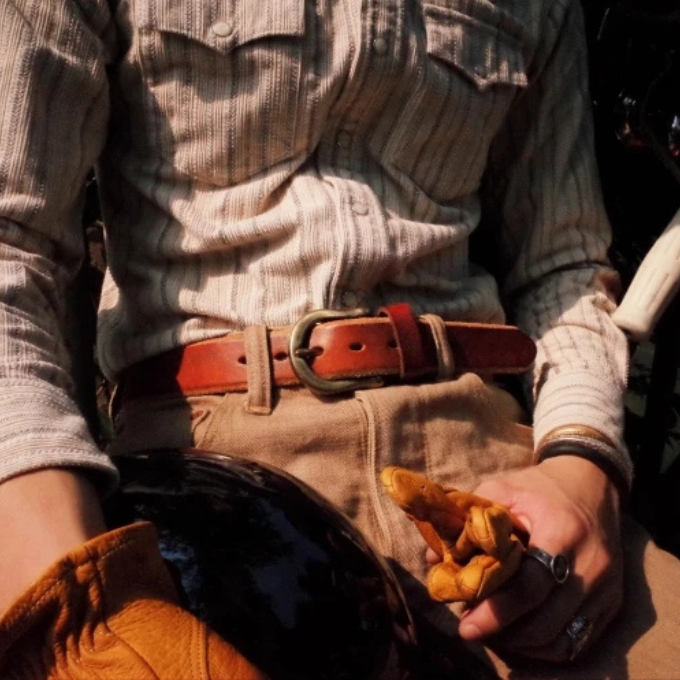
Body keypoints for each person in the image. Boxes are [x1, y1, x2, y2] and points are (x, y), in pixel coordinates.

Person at [0, 0, 678, 677]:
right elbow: (11, 247)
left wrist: (581, 468)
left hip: (493, 488)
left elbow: (563, 265)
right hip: (210, 485)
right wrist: (71, 600)